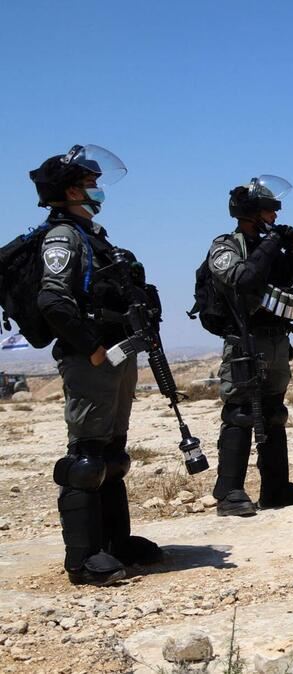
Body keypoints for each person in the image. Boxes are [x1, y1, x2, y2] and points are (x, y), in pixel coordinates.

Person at [30, 144, 162, 585]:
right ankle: (83, 559)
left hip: (116, 356)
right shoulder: (62, 237)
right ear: (69, 191)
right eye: (90, 185)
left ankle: (114, 544)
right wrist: (92, 348)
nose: (97, 191)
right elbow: (53, 300)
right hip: (92, 360)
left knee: (111, 453)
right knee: (86, 457)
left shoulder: (93, 235)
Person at [207, 176, 293, 516]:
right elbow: (243, 280)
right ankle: (229, 493)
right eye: (268, 211)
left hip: (277, 341)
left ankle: (275, 488)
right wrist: (270, 245)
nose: (274, 216)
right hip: (244, 340)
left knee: (274, 415)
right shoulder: (226, 246)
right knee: (240, 414)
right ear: (250, 213)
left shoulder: (277, 247)